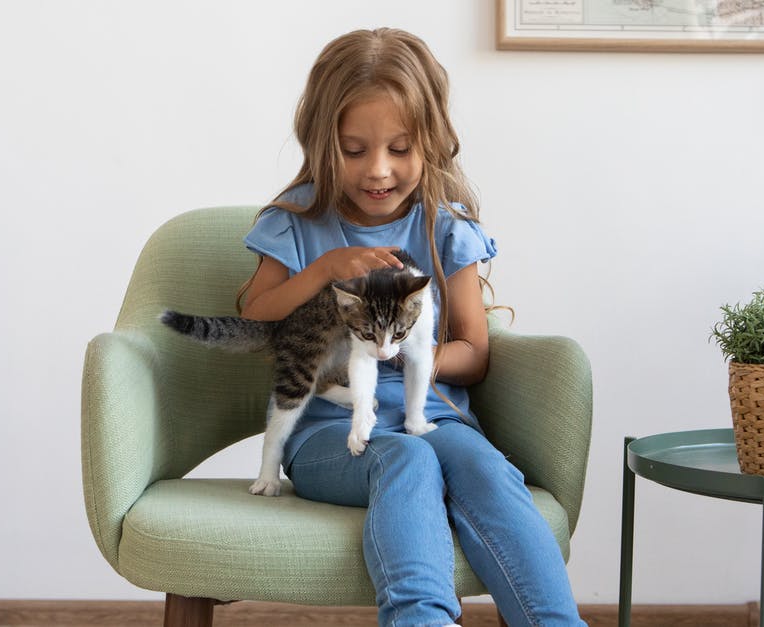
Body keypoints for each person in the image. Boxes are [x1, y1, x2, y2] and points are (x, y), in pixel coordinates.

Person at [238, 28, 585, 627]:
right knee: (406, 460)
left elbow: (473, 353)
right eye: (354, 149)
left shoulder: (446, 230)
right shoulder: (298, 220)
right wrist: (325, 269)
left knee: (486, 468)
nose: (378, 170)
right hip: (329, 436)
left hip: (435, 416)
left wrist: (398, 355)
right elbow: (254, 312)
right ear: (325, 142)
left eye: (400, 148)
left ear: (430, 143)